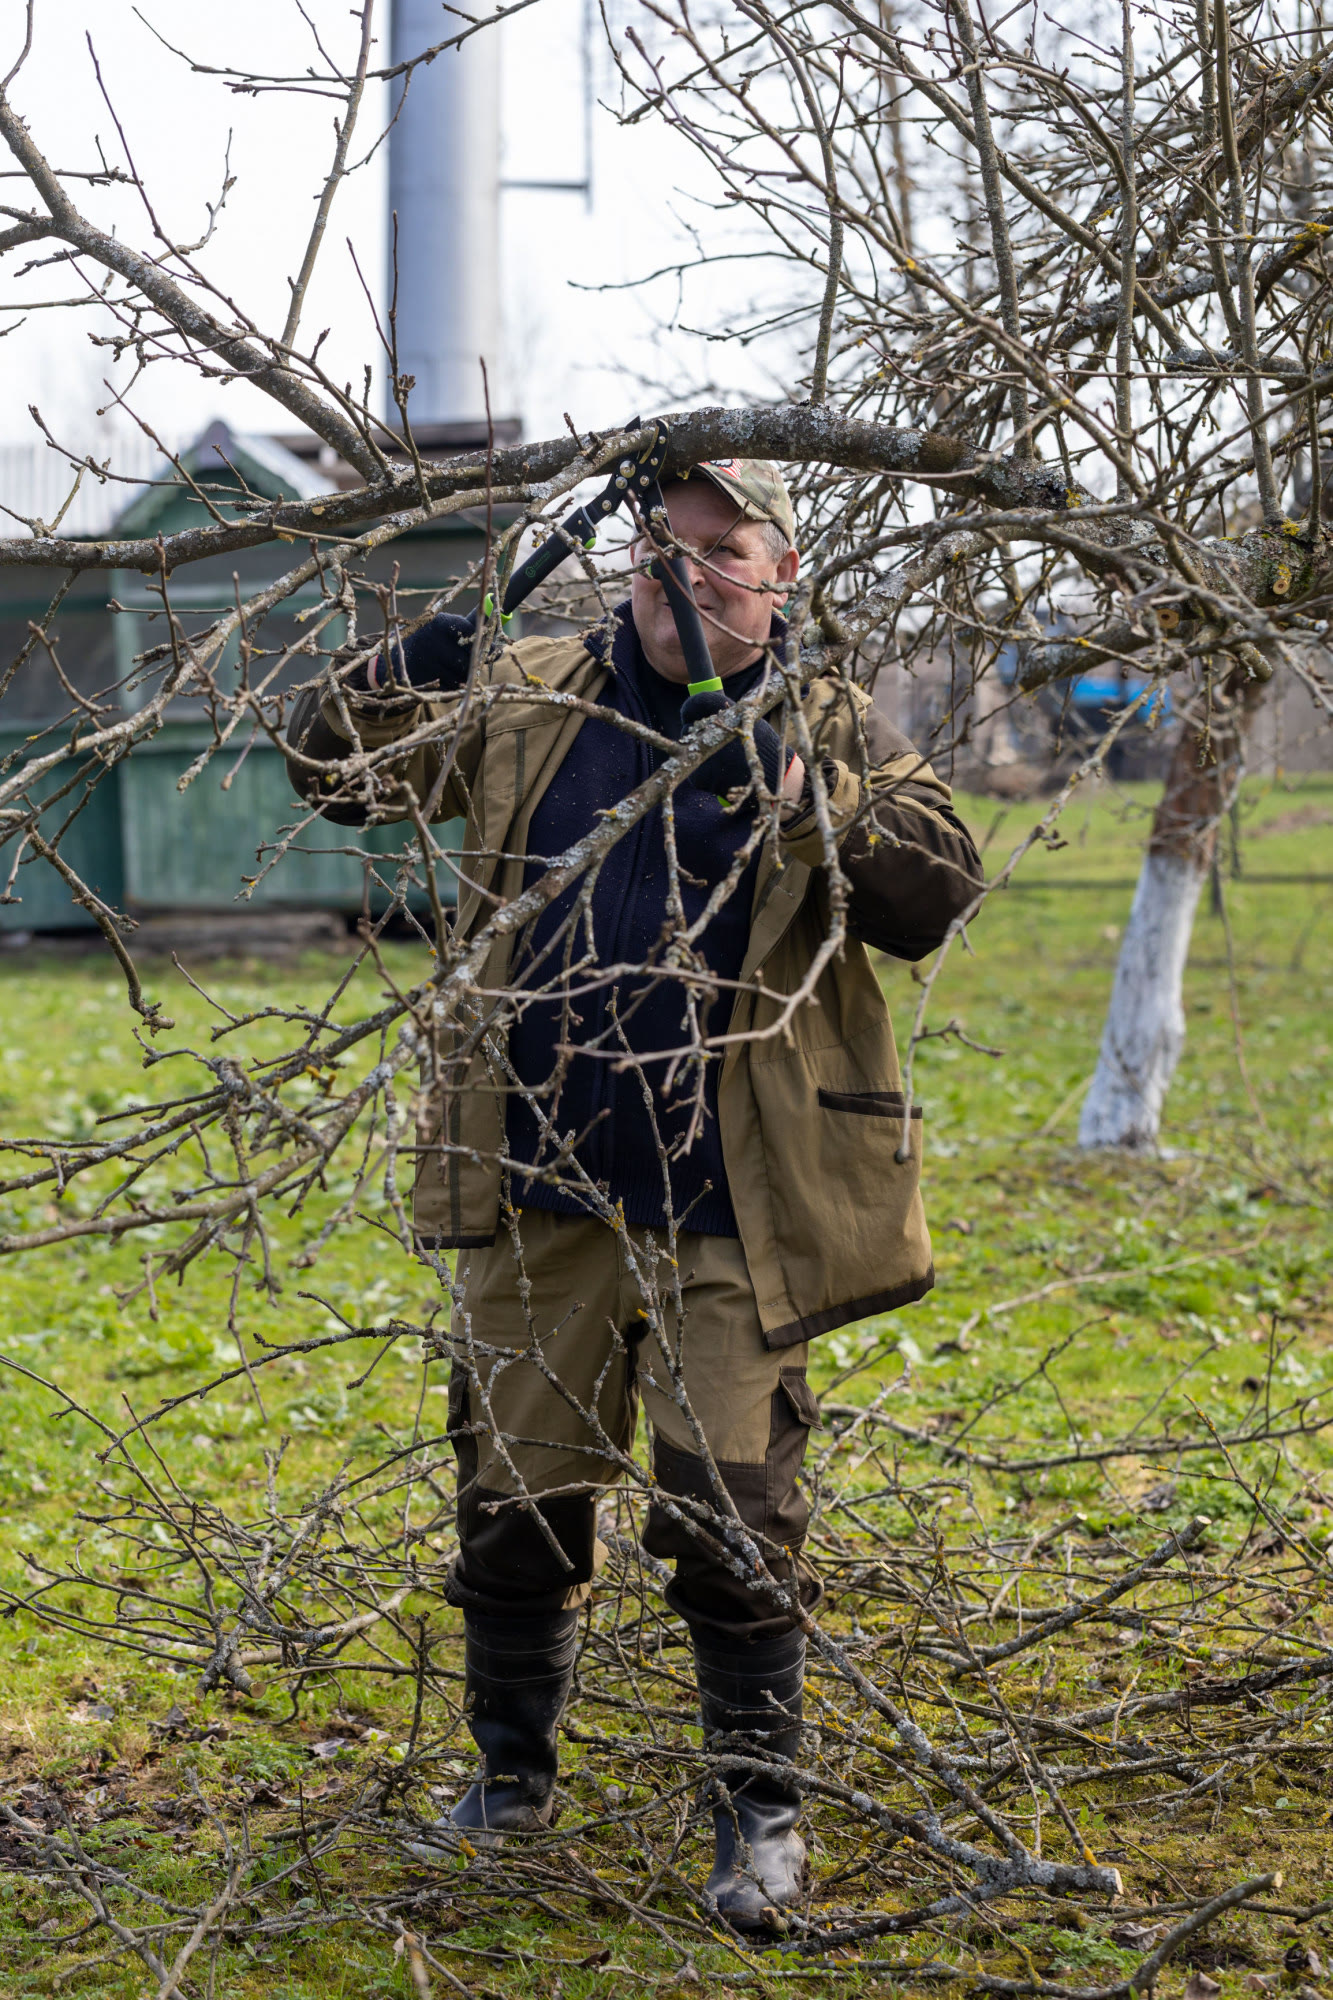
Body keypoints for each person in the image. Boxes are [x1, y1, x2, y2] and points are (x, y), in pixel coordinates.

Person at [285, 458, 984, 1930]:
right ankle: (508, 1779)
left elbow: (935, 891)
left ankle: (761, 1819)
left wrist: (816, 803)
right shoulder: (536, 691)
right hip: (542, 1186)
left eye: (724, 552)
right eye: (663, 549)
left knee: (733, 1517)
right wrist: (439, 636)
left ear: (782, 573)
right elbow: (333, 766)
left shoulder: (828, 720)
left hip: (736, 1201)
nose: (687, 579)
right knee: (513, 1504)